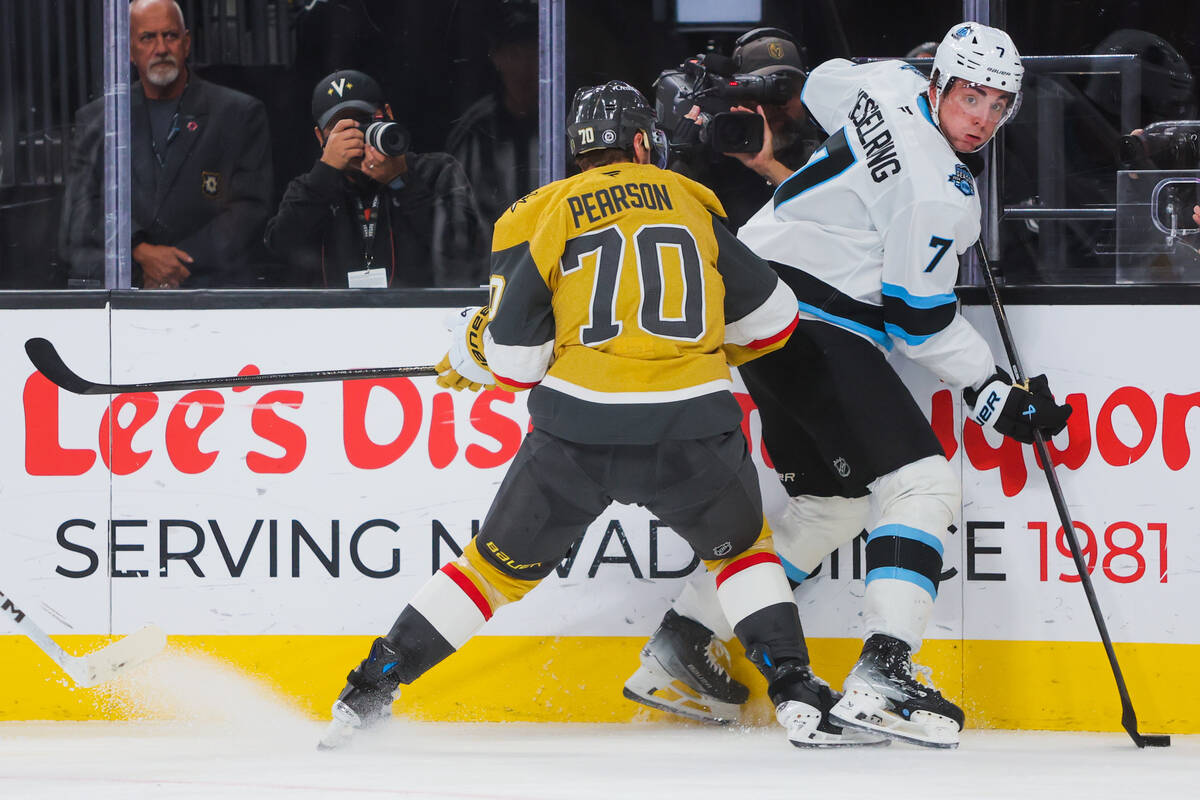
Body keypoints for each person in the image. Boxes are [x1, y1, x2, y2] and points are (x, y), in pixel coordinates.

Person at [317, 80, 885, 751]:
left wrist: (477, 348)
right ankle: (798, 694)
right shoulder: (690, 202)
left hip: (578, 433)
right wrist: (705, 343)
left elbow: (517, 365)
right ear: (644, 142)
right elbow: (776, 319)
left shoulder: (537, 212)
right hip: (693, 428)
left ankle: (366, 692)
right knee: (743, 558)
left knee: (487, 572)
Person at [625, 22, 1073, 749]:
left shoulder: (887, 83)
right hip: (813, 321)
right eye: (971, 97)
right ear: (941, 85)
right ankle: (885, 673)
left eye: (998, 104)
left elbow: (818, 85)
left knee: (834, 506)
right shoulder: (941, 196)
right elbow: (917, 322)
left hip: (756, 310)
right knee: (923, 484)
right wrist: (994, 393)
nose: (983, 118)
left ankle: (683, 646)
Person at [59, 0, 272, 288]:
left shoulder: (239, 114)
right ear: (130, 50)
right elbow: (82, 211)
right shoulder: (98, 120)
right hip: (128, 297)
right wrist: (140, 253)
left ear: (186, 43)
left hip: (215, 293)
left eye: (170, 36)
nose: (161, 48)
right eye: (148, 37)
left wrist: (176, 264)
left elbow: (249, 209)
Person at [264, 69, 490, 288]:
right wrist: (325, 172)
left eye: (362, 120)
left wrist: (400, 181)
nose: (354, 136)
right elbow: (280, 248)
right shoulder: (312, 188)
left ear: (388, 115)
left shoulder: (436, 170)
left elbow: (466, 249)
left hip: (423, 317)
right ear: (320, 136)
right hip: (335, 320)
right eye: (340, 129)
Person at [670, 28, 824, 231]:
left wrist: (768, 166)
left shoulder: (829, 151)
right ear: (737, 95)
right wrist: (681, 162)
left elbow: (830, 218)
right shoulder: (712, 159)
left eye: (787, 90)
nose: (776, 105)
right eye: (763, 93)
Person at [445, 0, 540, 224]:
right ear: (496, 57)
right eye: (514, 54)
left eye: (534, 53)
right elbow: (455, 233)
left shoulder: (566, 129)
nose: (524, 66)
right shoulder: (473, 135)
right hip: (493, 258)